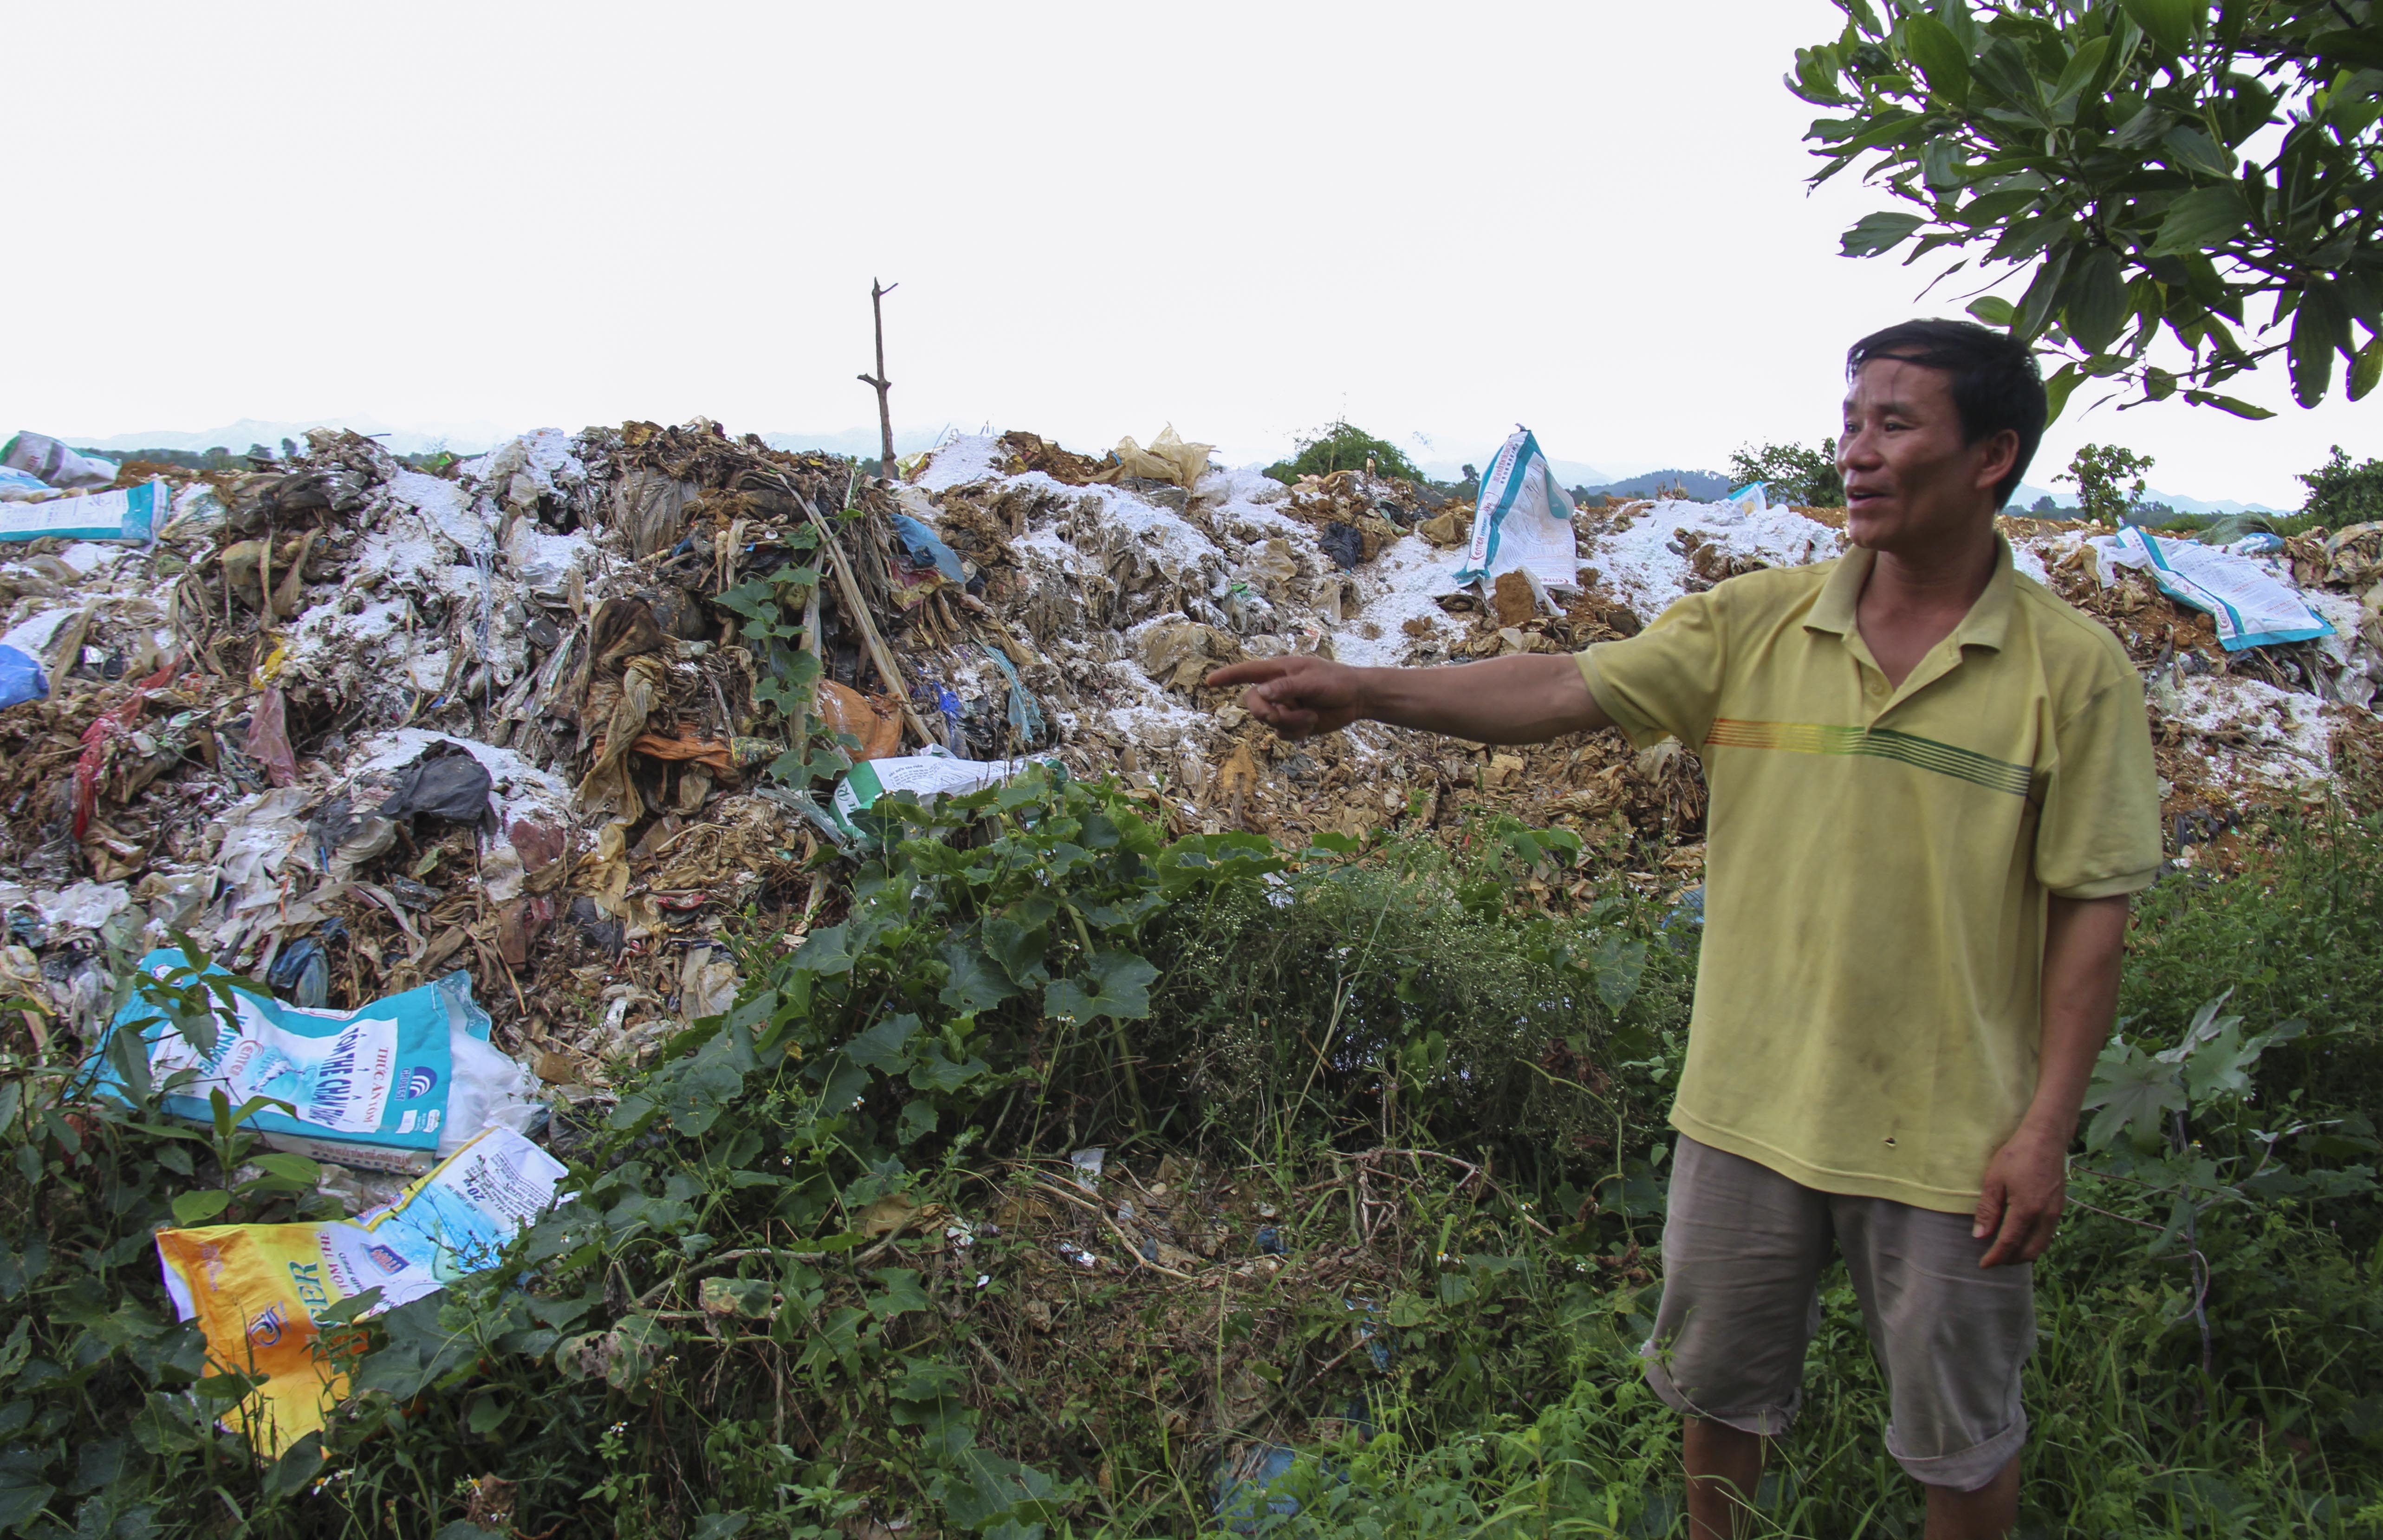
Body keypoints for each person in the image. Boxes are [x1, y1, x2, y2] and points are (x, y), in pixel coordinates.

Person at [1207, 319, 2161, 1540]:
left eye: (1895, 424)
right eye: (1852, 421)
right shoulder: (1756, 625)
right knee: (1716, 1404)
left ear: (1992, 456)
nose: (1858, 452)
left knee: (1962, 1449)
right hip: (1748, 1109)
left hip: (1950, 1137)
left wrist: (2043, 1132)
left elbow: (2091, 916)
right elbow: (1564, 685)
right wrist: (1366, 689)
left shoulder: (2070, 671)